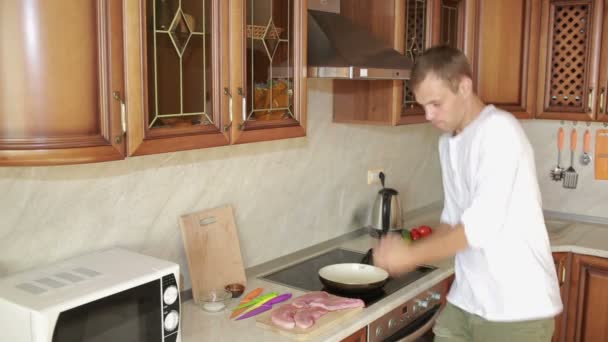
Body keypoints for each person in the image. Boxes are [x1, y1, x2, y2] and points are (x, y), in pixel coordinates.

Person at [373, 45, 562, 342]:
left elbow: (478, 229)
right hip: (468, 300)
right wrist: (409, 251)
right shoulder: (448, 143)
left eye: (435, 104)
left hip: (517, 310)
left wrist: (409, 255)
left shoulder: (499, 131)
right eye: (423, 105)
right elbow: (452, 220)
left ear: (464, 86)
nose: (428, 115)